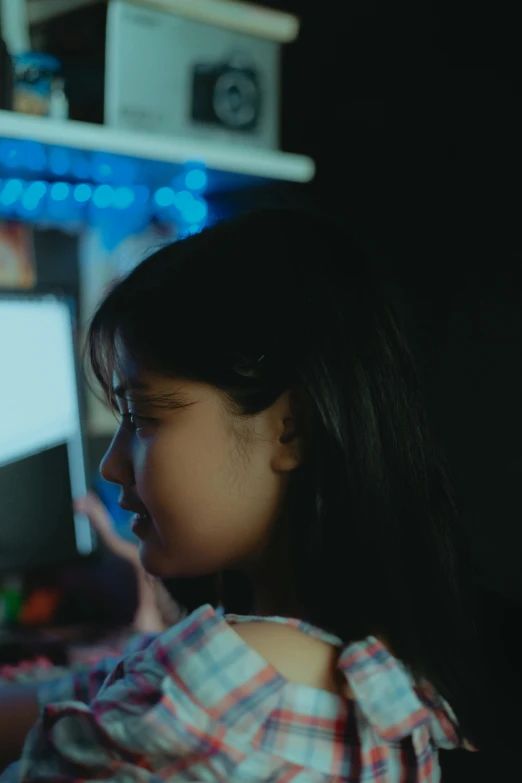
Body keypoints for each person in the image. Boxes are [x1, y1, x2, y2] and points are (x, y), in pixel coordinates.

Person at [0, 209, 500, 781]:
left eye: (140, 417)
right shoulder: (387, 677)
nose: (112, 465)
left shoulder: (213, 696)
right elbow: (81, 692)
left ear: (290, 430)